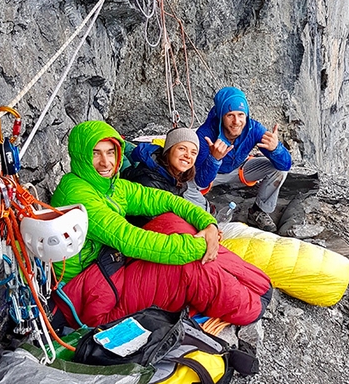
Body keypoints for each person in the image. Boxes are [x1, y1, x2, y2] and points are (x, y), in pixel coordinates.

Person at [49, 120, 271, 329]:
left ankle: (256, 285)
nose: (106, 162)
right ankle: (249, 307)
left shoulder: (110, 185)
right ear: (81, 156)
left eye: (110, 152)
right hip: (88, 294)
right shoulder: (78, 194)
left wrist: (208, 224)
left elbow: (164, 200)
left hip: (110, 264)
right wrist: (199, 246)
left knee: (171, 221)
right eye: (95, 153)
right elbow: (129, 239)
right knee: (186, 266)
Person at [195, 86, 292, 232]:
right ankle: (206, 209)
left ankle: (258, 211)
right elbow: (200, 180)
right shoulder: (205, 135)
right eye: (230, 115)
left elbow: (286, 165)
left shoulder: (253, 129)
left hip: (239, 169)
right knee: (185, 186)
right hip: (211, 175)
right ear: (221, 115)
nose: (237, 121)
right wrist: (214, 159)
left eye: (241, 114)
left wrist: (276, 149)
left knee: (279, 170)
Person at [121, 127, 211, 212]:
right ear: (168, 150)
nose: (188, 155)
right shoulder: (149, 184)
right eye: (182, 149)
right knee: (120, 152)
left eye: (193, 153)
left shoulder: (180, 173)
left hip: (143, 166)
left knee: (128, 150)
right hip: (131, 173)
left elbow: (202, 182)